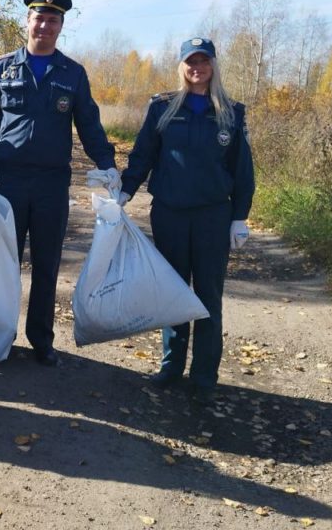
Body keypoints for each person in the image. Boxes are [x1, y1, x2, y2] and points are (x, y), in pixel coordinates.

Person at [0, 0, 119, 367]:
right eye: (39, 18)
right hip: (8, 182)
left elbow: (89, 123)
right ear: (27, 21)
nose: (45, 26)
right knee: (2, 263)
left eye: (53, 20)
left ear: (60, 26)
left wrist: (107, 164)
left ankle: (41, 339)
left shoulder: (73, 73)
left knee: (46, 263)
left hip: (52, 184)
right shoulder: (2, 68)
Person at [119, 36, 255, 403]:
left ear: (213, 66)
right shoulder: (163, 108)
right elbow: (143, 154)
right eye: (190, 62)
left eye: (203, 61)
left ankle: (205, 375)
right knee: (174, 292)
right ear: (181, 66)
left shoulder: (230, 112)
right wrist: (125, 192)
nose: (197, 68)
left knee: (208, 295)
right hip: (170, 214)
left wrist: (239, 217)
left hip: (213, 216)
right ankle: (171, 366)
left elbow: (242, 171)